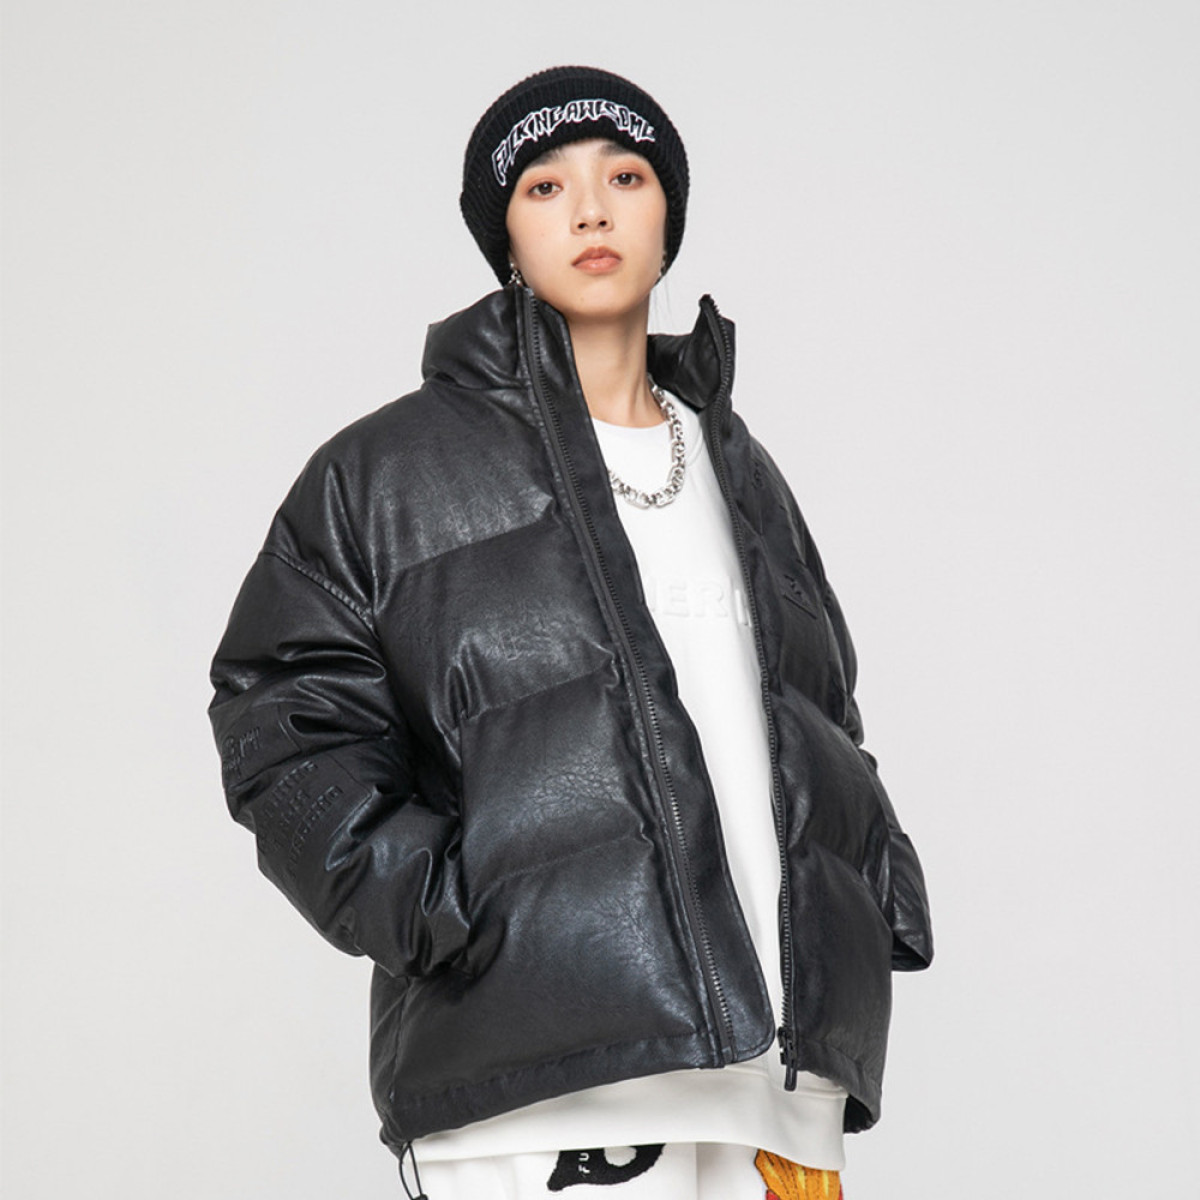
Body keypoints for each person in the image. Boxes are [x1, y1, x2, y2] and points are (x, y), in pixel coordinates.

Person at [208, 66, 933, 1200]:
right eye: (545, 187)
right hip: (545, 1090)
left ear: (667, 218)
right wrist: (448, 908)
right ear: (504, 235)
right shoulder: (385, 475)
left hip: (780, 1097)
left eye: (625, 177)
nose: (592, 210)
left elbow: (825, 721)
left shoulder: (742, 470)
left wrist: (872, 897)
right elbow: (282, 727)